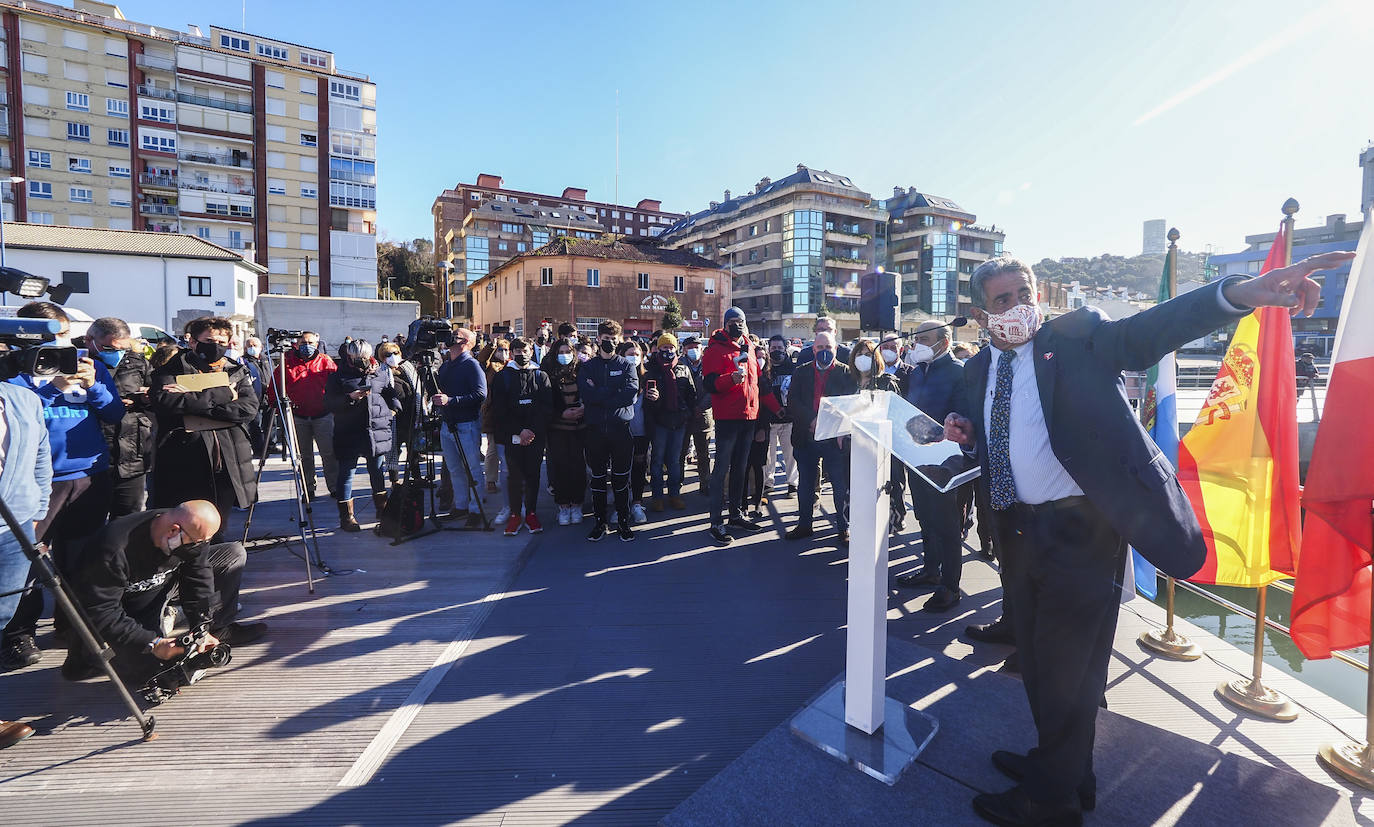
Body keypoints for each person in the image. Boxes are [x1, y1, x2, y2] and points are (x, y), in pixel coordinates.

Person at [943, 252, 1351, 826]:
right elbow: (995, 426)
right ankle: (1064, 769)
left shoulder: (1079, 336)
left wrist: (1239, 295)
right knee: (1040, 662)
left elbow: (1149, 331)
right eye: (1002, 301)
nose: (1017, 307)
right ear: (983, 314)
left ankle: (1050, 803)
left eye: (1024, 292)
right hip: (1018, 530)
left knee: (1064, 671)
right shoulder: (981, 368)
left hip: (1083, 531)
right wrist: (965, 429)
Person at [2, 302, 123, 671]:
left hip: (87, 473)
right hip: (38, 480)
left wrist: (94, 387)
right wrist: (52, 388)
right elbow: (19, 414)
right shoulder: (14, 375)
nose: (60, 344)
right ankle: (18, 632)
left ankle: (71, 625)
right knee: (25, 562)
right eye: (50, 337)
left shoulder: (89, 364)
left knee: (81, 556)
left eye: (64, 335)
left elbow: (115, 413)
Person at [62, 500, 266, 686]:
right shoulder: (112, 550)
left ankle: (217, 629)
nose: (199, 547)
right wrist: (152, 643)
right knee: (157, 673)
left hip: (163, 588)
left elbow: (198, 578)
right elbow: (102, 612)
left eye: (204, 542)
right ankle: (87, 655)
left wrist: (201, 626)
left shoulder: (191, 533)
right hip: (124, 607)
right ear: (173, 531)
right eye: (197, 542)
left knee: (233, 554)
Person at [150, 317, 259, 540]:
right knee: (186, 528)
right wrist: (224, 395)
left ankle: (216, 571)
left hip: (228, 461)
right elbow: (166, 403)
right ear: (192, 342)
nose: (216, 345)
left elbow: (247, 409)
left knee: (218, 528)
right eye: (209, 340)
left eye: (222, 340)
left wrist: (193, 403)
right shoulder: (171, 370)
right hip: (186, 462)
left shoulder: (236, 370)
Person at [889, 321, 967, 613]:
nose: (917, 345)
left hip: (945, 461)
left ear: (944, 343)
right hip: (916, 455)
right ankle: (930, 569)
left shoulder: (958, 372)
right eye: (915, 339)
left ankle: (950, 586)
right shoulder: (919, 371)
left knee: (947, 525)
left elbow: (962, 414)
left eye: (924, 339)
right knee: (925, 516)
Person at [701, 308, 781, 546]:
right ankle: (716, 521)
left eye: (741, 322)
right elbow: (709, 383)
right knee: (722, 469)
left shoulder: (750, 348)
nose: (738, 325)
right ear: (725, 324)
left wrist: (777, 408)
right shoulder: (715, 350)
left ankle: (736, 514)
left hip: (749, 417)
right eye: (733, 322)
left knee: (741, 468)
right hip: (727, 418)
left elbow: (760, 384)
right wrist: (729, 380)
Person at [0, 379, 52, 747]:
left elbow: (40, 456)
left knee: (2, 613)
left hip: (14, 526)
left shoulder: (21, 398)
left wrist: (37, 509)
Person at [786, 331, 857, 543]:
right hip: (806, 436)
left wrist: (825, 422)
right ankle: (804, 524)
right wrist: (812, 420)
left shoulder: (847, 374)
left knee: (839, 485)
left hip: (834, 440)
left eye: (828, 348)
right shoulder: (801, 372)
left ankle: (843, 527)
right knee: (806, 484)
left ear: (835, 349)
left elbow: (849, 404)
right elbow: (793, 402)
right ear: (813, 349)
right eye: (820, 348)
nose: (824, 352)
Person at [324, 340, 399, 532]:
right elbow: (330, 403)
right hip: (348, 431)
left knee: (377, 471)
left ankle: (382, 509)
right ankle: (346, 516)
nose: (361, 361)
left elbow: (391, 394)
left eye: (364, 357)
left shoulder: (378, 372)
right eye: (356, 357)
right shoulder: (337, 377)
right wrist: (350, 398)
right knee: (347, 473)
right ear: (349, 356)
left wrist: (393, 410)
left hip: (375, 429)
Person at [87, 317, 156, 520]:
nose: (116, 353)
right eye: (109, 348)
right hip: (92, 456)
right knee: (88, 522)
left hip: (132, 453)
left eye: (123, 348)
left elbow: (155, 394)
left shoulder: (137, 362)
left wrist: (144, 399)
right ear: (89, 339)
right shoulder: (74, 361)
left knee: (128, 520)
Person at [578, 320, 638, 542]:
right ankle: (599, 522)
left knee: (622, 479)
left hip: (620, 431)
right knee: (598, 479)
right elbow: (587, 394)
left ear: (619, 340)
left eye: (614, 340)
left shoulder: (626, 365)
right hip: (594, 432)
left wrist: (600, 394)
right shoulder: (587, 367)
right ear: (598, 340)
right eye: (606, 339)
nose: (609, 343)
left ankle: (623, 521)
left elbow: (630, 394)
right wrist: (613, 393)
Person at [489, 337, 552, 536]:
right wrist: (518, 431)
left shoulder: (541, 375)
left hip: (535, 436)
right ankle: (515, 514)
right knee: (514, 476)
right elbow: (499, 409)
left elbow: (546, 407)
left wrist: (531, 430)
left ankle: (531, 512)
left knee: (533, 475)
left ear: (531, 352)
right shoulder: (503, 377)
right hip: (512, 437)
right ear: (512, 352)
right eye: (517, 350)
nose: (521, 354)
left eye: (525, 351)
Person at [265, 332, 338, 501]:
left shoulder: (326, 361)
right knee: (303, 455)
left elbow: (337, 385)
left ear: (317, 342)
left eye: (310, 342)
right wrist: (278, 408)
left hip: (323, 414)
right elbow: (274, 388)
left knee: (329, 453)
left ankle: (334, 486)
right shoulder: (286, 363)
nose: (307, 345)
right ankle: (308, 488)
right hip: (297, 416)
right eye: (303, 342)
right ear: (297, 344)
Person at [432, 327, 487, 527]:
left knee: (472, 469)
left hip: (466, 425)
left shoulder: (472, 365)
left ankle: (476, 509)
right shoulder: (446, 366)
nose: (449, 337)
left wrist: (450, 400)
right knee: (454, 469)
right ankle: (461, 506)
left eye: (455, 335)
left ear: (465, 342)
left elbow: (481, 395)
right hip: (448, 424)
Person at [644, 333, 697, 512]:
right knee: (657, 461)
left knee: (675, 461)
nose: (668, 350)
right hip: (659, 422)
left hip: (679, 422)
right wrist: (654, 400)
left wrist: (688, 413)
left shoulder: (683, 368)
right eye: (664, 347)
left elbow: (691, 394)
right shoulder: (651, 369)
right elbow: (646, 402)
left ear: (676, 348)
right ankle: (657, 496)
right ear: (658, 349)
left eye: (671, 347)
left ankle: (675, 494)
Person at [544, 337, 587, 526]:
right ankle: (563, 505)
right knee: (560, 469)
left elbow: (590, 395)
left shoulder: (583, 372)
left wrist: (583, 410)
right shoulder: (547, 375)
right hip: (558, 429)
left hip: (580, 428)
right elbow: (544, 403)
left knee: (578, 468)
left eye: (568, 352)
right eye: (560, 352)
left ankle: (577, 504)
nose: (565, 356)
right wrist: (561, 413)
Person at [376, 341, 419, 486]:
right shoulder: (380, 372)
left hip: (410, 416)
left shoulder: (408, 368)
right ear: (382, 358)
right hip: (393, 419)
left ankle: (417, 477)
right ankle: (395, 481)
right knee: (393, 450)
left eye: (395, 353)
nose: (392, 357)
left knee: (414, 449)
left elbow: (417, 389)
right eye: (388, 355)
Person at [617, 339, 650, 526]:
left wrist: (655, 398)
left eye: (637, 355)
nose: (634, 358)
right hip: (620, 430)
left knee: (639, 467)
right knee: (620, 468)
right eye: (630, 354)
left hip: (641, 431)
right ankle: (620, 505)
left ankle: (637, 503)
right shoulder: (616, 376)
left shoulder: (647, 378)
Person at [679, 335, 713, 497]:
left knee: (703, 453)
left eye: (696, 347)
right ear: (684, 349)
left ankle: (705, 483)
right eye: (689, 347)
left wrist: (701, 407)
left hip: (704, 415)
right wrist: (688, 408)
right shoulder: (678, 364)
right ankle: (677, 482)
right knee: (680, 451)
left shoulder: (709, 365)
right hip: (684, 416)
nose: (693, 350)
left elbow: (712, 390)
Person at [765, 335, 797, 497]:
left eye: (779, 348)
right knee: (768, 455)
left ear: (785, 349)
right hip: (769, 421)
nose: (776, 351)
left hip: (789, 420)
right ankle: (768, 483)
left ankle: (792, 484)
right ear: (769, 350)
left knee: (790, 454)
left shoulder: (793, 369)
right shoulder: (765, 369)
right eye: (773, 348)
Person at [478, 338, 509, 501]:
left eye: (506, 350)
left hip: (510, 411)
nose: (503, 354)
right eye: (500, 350)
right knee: (492, 449)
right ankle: (490, 479)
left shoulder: (511, 365)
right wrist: (491, 345)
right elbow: (482, 359)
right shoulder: (491, 366)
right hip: (493, 411)